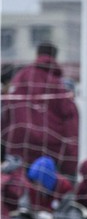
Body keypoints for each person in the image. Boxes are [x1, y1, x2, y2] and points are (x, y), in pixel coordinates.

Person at [0, 42, 79, 178]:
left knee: (20, 191)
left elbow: (6, 112)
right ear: (55, 57)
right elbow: (70, 120)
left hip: (18, 147)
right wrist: (71, 160)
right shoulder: (58, 84)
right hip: (51, 149)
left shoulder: (20, 78)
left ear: (37, 54)